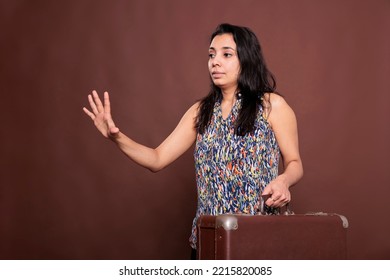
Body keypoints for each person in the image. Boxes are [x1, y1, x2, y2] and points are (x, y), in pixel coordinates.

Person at [83, 23, 303, 254]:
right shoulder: (201, 111)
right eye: (211, 54)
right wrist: (116, 138)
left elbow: (295, 163)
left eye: (226, 54)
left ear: (247, 59)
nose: (215, 61)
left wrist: (284, 181)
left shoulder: (272, 106)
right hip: (208, 243)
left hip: (259, 241)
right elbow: (156, 159)